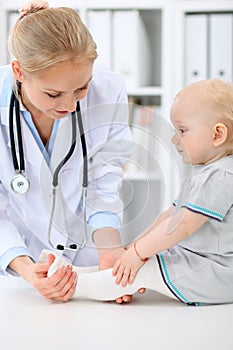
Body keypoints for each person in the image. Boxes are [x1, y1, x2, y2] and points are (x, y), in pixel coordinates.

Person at [0, 1, 146, 303]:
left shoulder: (109, 88)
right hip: (16, 266)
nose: (69, 105)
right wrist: (26, 268)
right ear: (19, 71)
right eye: (53, 94)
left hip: (88, 257)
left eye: (82, 88)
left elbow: (104, 178)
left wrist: (108, 253)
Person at [42, 78, 233, 305]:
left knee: (146, 268)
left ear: (217, 135)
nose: (174, 139)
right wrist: (132, 250)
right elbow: (169, 216)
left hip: (218, 272)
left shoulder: (222, 176)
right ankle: (81, 274)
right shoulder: (204, 172)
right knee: (145, 258)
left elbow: (182, 225)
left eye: (182, 130)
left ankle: (75, 284)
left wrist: (137, 254)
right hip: (200, 261)